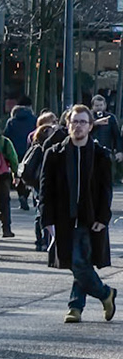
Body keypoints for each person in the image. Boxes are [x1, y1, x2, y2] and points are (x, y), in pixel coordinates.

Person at [40, 105, 115, 323]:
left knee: (80, 262)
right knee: (78, 261)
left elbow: (106, 189)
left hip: (90, 218)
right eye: (74, 121)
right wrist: (46, 219)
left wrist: (103, 217)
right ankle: (105, 294)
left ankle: (76, 306)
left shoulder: (101, 155)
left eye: (83, 122)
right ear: (67, 124)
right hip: (64, 217)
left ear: (91, 126)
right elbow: (46, 189)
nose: (78, 126)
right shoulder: (54, 154)